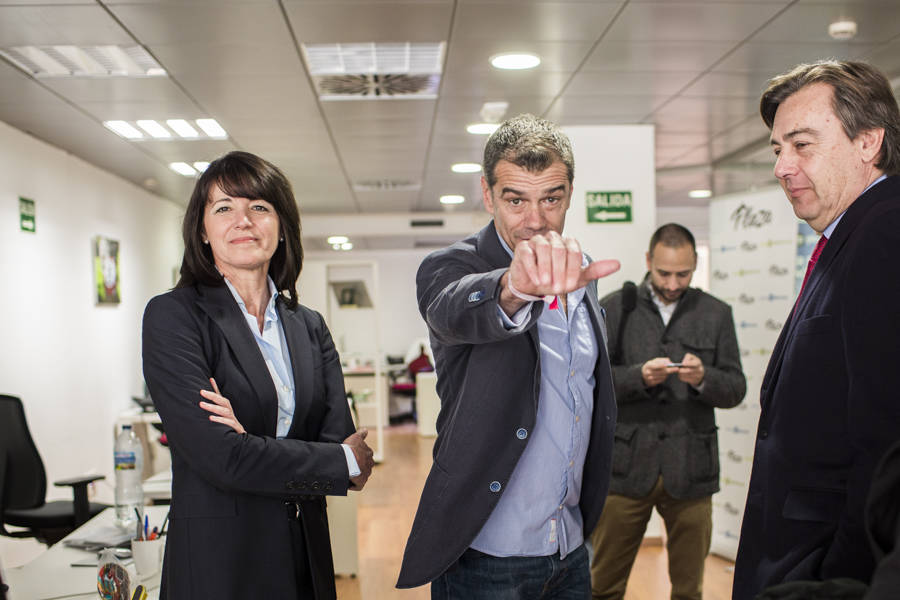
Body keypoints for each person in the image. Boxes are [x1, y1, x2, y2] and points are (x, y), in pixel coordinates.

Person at [396, 113, 621, 598]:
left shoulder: (581, 273)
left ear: (570, 193)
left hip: (569, 545)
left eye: (551, 199)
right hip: (487, 552)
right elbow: (453, 310)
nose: (535, 219)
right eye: (515, 199)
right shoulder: (452, 267)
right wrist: (514, 288)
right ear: (487, 193)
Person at [142, 151, 374, 600]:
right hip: (222, 566)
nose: (243, 220)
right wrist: (328, 460)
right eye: (224, 208)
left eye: (260, 207)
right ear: (203, 231)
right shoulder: (173, 317)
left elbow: (349, 459)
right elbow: (221, 458)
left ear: (282, 227)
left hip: (305, 559)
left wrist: (250, 442)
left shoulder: (308, 325)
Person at [732, 60, 900, 599]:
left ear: (868, 141)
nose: (783, 167)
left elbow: (886, 440)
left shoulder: (885, 234)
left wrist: (839, 577)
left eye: (802, 144)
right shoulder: (847, 236)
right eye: (778, 149)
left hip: (825, 568)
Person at [589, 223, 746, 600]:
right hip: (625, 470)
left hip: (692, 468)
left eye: (683, 273)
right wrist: (638, 377)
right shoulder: (613, 306)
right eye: (664, 273)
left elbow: (735, 388)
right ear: (648, 261)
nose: (674, 283)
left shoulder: (716, 313)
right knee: (602, 586)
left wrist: (703, 378)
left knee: (689, 589)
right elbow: (591, 383)